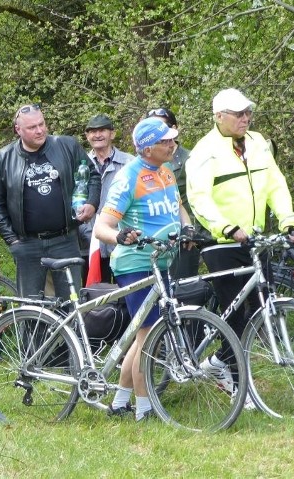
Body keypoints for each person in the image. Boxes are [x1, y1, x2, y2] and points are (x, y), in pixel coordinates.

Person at [187, 88, 294, 405]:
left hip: (255, 241)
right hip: (222, 242)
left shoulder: (259, 143)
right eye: (238, 113)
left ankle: (218, 362)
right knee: (235, 316)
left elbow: (276, 184)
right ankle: (241, 388)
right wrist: (225, 227)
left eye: (247, 111)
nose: (245, 117)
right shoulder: (204, 151)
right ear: (219, 116)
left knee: (259, 310)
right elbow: (199, 198)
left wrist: (288, 219)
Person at [94, 117, 189, 421]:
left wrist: (187, 229)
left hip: (162, 262)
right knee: (147, 337)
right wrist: (118, 236)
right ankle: (144, 408)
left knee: (142, 337)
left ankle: (120, 402)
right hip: (136, 264)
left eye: (172, 139)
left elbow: (178, 207)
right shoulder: (128, 177)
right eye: (165, 141)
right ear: (148, 148)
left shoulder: (166, 173)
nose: (172, 144)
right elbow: (102, 227)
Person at [0, 104, 100, 299]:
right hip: (27, 243)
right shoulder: (2, 159)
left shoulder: (67, 146)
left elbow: (93, 177)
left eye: (42, 124)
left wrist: (91, 202)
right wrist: (12, 240)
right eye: (32, 127)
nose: (39, 130)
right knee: (32, 308)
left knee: (71, 304)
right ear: (18, 130)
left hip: (65, 240)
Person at [145, 107, 201, 279]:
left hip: (184, 239)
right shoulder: (144, 161)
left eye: (161, 127)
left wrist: (190, 230)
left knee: (184, 295)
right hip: (154, 238)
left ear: (174, 129)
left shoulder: (192, 159)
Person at [82, 114, 135, 283]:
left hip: (122, 241)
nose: (97, 135)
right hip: (88, 242)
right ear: (87, 136)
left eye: (102, 130)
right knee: (96, 300)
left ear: (112, 134)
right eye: (92, 131)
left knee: (127, 294)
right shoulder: (79, 164)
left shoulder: (130, 163)